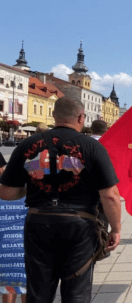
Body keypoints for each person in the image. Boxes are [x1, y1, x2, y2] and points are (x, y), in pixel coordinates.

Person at [0, 96, 122, 302]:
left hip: (39, 222)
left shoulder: (28, 145)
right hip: (80, 225)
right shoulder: (92, 147)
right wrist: (116, 229)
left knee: (38, 291)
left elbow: (6, 192)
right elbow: (110, 195)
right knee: (76, 290)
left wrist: (30, 189)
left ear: (54, 116)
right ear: (81, 117)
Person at [0, 151, 27, 303]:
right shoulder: (31, 196)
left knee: (8, 284)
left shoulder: (2, 194)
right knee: (27, 283)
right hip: (25, 246)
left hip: (5, 248)